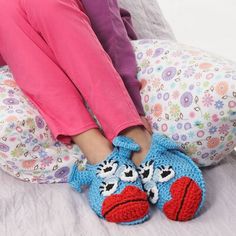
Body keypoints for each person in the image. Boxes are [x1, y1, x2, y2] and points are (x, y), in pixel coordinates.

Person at [0, 0, 206, 225]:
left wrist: (132, 108)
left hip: (89, 43)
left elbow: (109, 26)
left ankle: (134, 137)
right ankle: (97, 151)